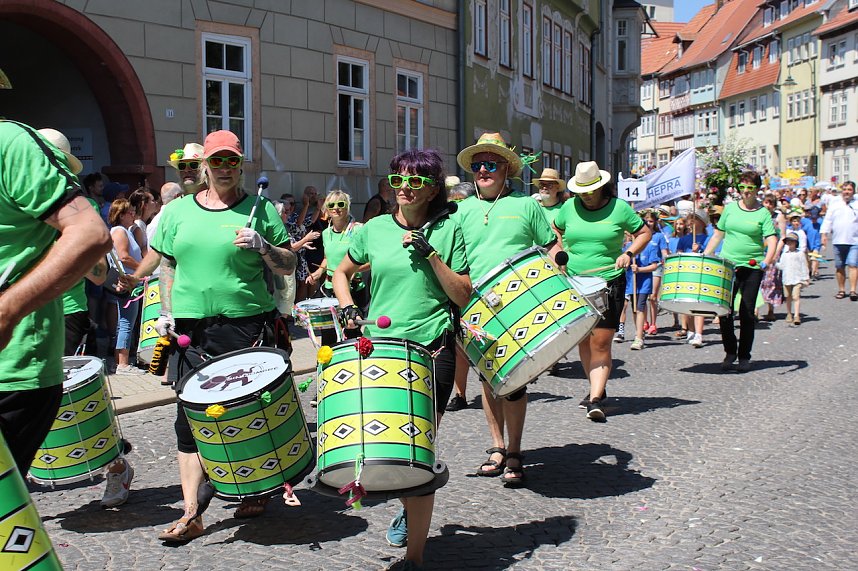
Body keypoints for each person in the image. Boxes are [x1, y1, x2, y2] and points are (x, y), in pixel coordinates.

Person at [150, 130, 297, 542]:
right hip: (192, 330)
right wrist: (164, 311)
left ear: (241, 164)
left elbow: (288, 265)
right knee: (189, 421)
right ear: (205, 166)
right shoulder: (178, 212)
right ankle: (192, 511)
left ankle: (258, 486)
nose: (225, 169)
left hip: (246, 325)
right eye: (217, 161)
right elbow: (168, 266)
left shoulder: (260, 208)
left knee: (249, 413)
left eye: (232, 161)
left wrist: (264, 245)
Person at [333, 148, 470, 571]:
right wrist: (349, 309)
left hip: (433, 347)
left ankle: (414, 558)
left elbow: (462, 293)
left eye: (415, 182)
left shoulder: (451, 228)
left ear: (433, 188)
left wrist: (431, 254)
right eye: (398, 181)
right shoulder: (373, 229)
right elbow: (342, 273)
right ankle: (409, 506)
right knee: (385, 442)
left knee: (418, 448)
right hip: (380, 348)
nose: (405, 190)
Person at [0, 120, 112, 474]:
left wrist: (7, 309)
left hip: (14, 364)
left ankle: (110, 463)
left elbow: (92, 246)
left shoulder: (11, 143)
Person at [452, 132, 561, 484]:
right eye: (478, 165)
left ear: (506, 169)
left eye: (491, 164)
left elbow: (551, 244)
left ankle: (514, 450)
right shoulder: (460, 210)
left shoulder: (526, 205)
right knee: (487, 379)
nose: (483, 170)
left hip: (519, 303)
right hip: (475, 306)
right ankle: (496, 445)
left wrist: (559, 267)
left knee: (513, 380)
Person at [554, 161, 651, 421]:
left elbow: (643, 232)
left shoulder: (619, 208)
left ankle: (595, 399)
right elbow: (555, 229)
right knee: (584, 340)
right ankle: (596, 386)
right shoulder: (569, 207)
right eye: (582, 190)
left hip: (609, 280)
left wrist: (629, 253)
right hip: (574, 281)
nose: (586, 195)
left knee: (600, 341)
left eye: (591, 189)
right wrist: (559, 254)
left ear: (602, 187)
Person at [703, 171, 777, 372]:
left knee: (746, 311)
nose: (745, 192)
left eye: (749, 188)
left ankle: (744, 356)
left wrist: (767, 261)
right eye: (741, 187)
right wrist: (705, 255)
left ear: (757, 190)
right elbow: (718, 235)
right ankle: (730, 351)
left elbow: (771, 240)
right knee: (724, 311)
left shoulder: (763, 213)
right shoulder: (730, 209)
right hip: (728, 265)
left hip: (753, 267)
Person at [307, 190, 368, 345]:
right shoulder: (326, 233)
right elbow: (328, 258)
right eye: (331, 205)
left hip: (353, 290)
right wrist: (318, 272)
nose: (336, 208)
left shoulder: (358, 230)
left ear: (347, 206)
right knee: (328, 335)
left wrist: (352, 270)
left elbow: (372, 260)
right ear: (326, 208)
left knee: (351, 333)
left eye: (340, 204)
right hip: (329, 288)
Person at [106, 199, 146, 374]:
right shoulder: (120, 231)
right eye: (129, 212)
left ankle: (119, 361)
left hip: (129, 281)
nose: (133, 214)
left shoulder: (125, 230)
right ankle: (123, 363)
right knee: (126, 322)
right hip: (128, 282)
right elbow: (123, 257)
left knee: (125, 321)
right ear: (121, 215)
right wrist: (144, 268)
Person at [676, 210, 711, 348]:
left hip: (701, 273)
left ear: (702, 223)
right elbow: (679, 254)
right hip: (687, 273)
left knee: (699, 304)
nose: (691, 223)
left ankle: (699, 334)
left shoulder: (708, 238)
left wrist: (700, 250)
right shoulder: (684, 239)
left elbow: (713, 254)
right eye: (690, 220)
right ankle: (690, 330)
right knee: (687, 304)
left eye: (694, 219)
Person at [623, 231, 661, 351]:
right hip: (631, 282)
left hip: (644, 283)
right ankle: (639, 332)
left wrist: (640, 269)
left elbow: (654, 266)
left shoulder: (650, 246)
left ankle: (638, 338)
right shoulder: (627, 247)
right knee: (634, 309)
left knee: (640, 307)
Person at [820, 181, 858, 300]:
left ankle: (853, 290)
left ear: (853, 191)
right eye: (845, 189)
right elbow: (827, 220)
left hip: (854, 240)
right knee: (839, 266)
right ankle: (841, 290)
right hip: (838, 240)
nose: (847, 192)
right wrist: (824, 235)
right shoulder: (835, 204)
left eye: (849, 190)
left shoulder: (856, 204)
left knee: (853, 264)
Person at [640, 210, 669, 335]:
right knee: (643, 296)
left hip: (656, 267)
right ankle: (644, 321)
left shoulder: (659, 236)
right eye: (646, 221)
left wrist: (667, 260)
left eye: (651, 221)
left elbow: (664, 252)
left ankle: (653, 323)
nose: (648, 223)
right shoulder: (640, 235)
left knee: (652, 297)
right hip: (642, 267)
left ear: (655, 222)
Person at [776, 232, 810, 327]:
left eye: (792, 241)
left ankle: (797, 315)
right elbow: (781, 266)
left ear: (796, 243)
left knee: (796, 297)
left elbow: (804, 265)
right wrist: (774, 263)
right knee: (788, 297)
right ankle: (789, 313)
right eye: (788, 241)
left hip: (797, 278)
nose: (790, 243)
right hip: (787, 278)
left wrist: (806, 278)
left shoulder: (800, 254)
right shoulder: (784, 254)